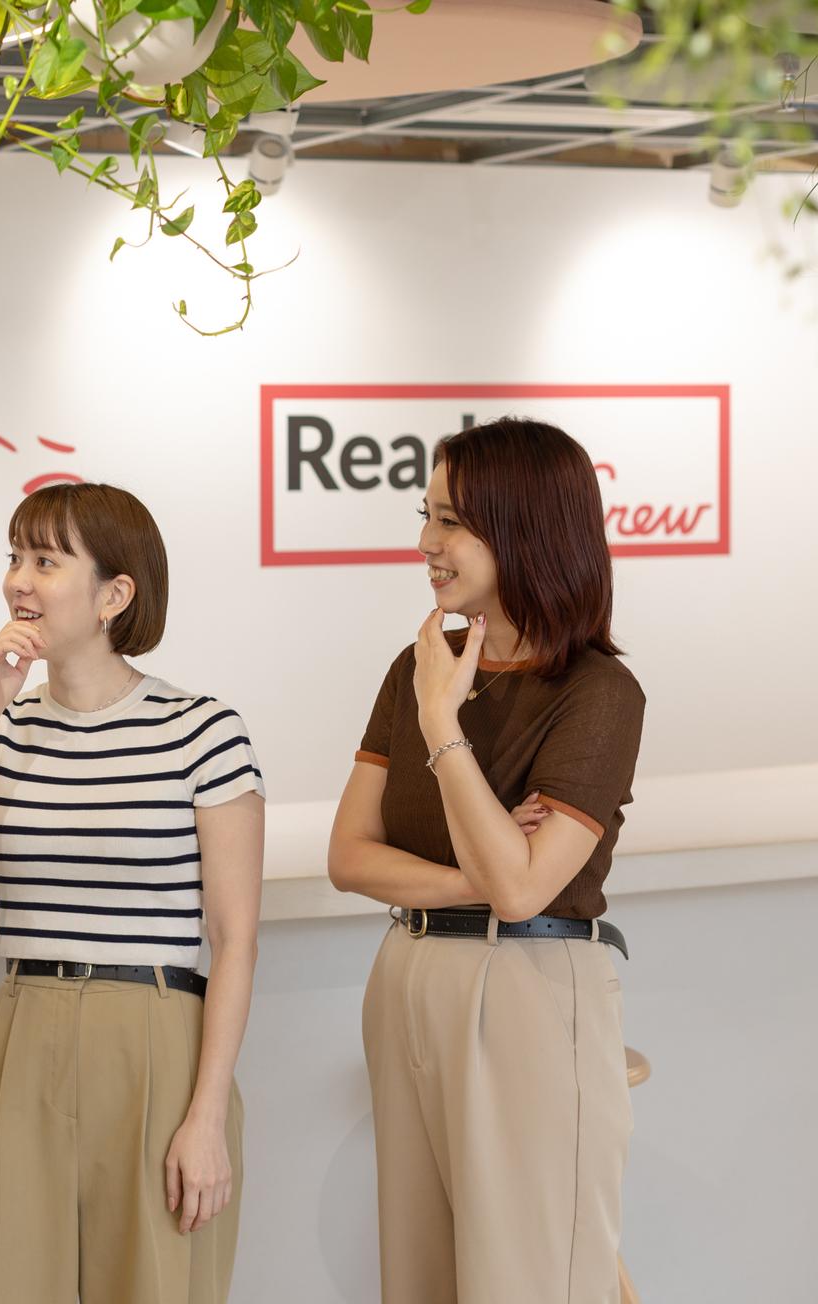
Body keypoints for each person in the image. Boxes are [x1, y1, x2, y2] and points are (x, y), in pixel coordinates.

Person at [0, 482, 266, 1304]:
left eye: (46, 562)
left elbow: (236, 940)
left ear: (115, 595)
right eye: (15, 557)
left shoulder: (202, 730)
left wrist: (206, 1117)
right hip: (24, 1029)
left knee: (151, 1285)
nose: (19, 580)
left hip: (156, 1038)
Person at [327, 417, 645, 1304]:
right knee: (421, 1276)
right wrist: (482, 869)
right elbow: (350, 856)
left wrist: (443, 725)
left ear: (524, 531)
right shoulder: (419, 665)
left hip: (529, 986)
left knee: (529, 1277)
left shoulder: (598, 693)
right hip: (409, 972)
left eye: (453, 522)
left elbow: (522, 891)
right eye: (426, 517)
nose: (427, 545)